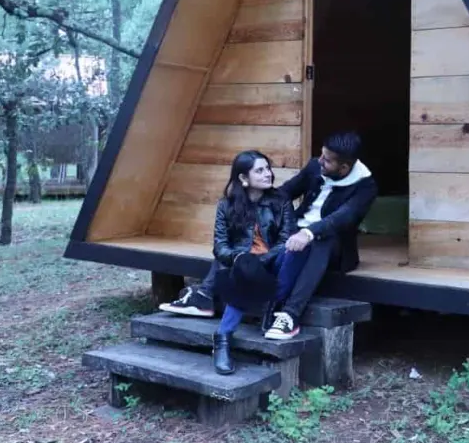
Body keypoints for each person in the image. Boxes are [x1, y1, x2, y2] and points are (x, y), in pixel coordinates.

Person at [160, 131, 377, 346]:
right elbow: (285, 192)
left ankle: (290, 314)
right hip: (293, 236)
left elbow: (342, 218)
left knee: (322, 239)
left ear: (344, 168)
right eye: (321, 155)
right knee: (243, 235)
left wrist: (308, 232)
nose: (319, 161)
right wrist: (251, 202)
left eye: (327, 160)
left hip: (329, 246)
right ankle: (205, 296)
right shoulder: (314, 167)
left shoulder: (366, 187)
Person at [201, 151, 294, 374]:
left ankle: (223, 336)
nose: (267, 174)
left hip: (271, 263)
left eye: (268, 169)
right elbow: (220, 246)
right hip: (240, 265)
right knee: (244, 268)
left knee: (288, 252)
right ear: (243, 178)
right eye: (259, 170)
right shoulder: (226, 205)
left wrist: (260, 260)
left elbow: (285, 240)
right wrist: (240, 258)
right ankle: (224, 337)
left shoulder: (280, 202)